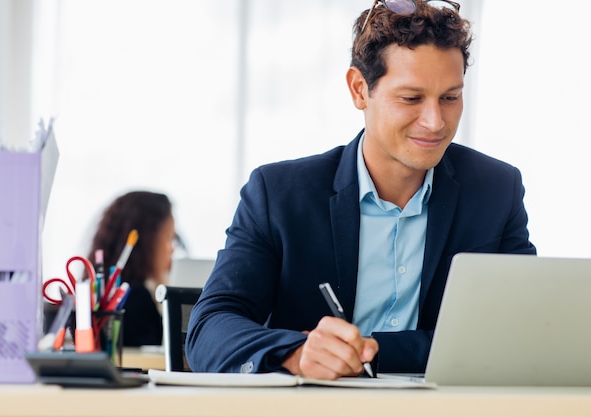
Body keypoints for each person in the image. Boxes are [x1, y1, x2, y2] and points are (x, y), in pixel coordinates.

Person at [186, 0, 536, 379]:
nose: (435, 122)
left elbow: (521, 334)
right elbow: (210, 329)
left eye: (450, 97)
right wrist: (297, 353)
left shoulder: (497, 190)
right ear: (358, 90)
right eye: (411, 98)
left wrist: (376, 351)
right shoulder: (279, 194)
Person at [87, 190, 176, 347]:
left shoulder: (95, 290)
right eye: (168, 238)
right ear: (148, 240)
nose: (172, 249)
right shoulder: (137, 298)